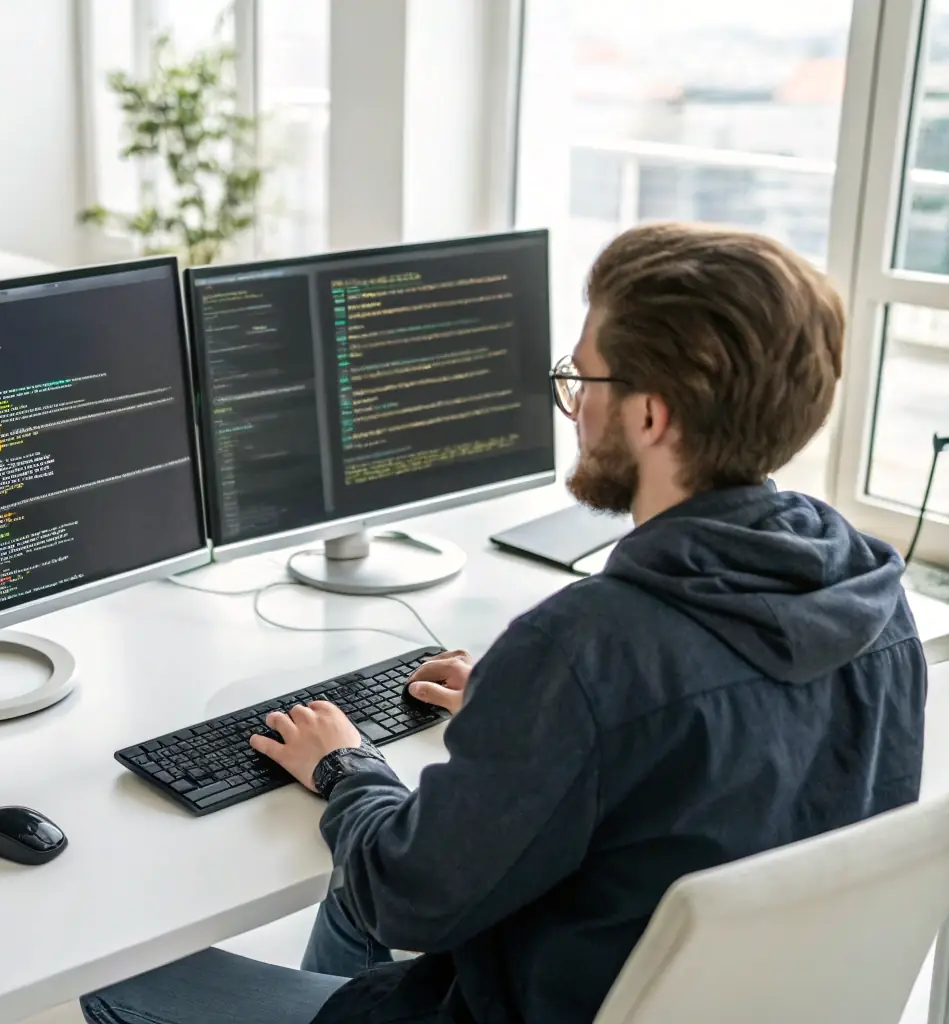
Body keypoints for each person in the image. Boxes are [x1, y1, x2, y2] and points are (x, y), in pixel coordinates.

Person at [80, 222, 928, 1024]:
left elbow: (403, 895)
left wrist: (344, 766)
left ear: (649, 415)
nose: (573, 406)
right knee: (351, 893)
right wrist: (528, 715)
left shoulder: (586, 646)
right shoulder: (870, 590)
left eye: (583, 379)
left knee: (110, 966)